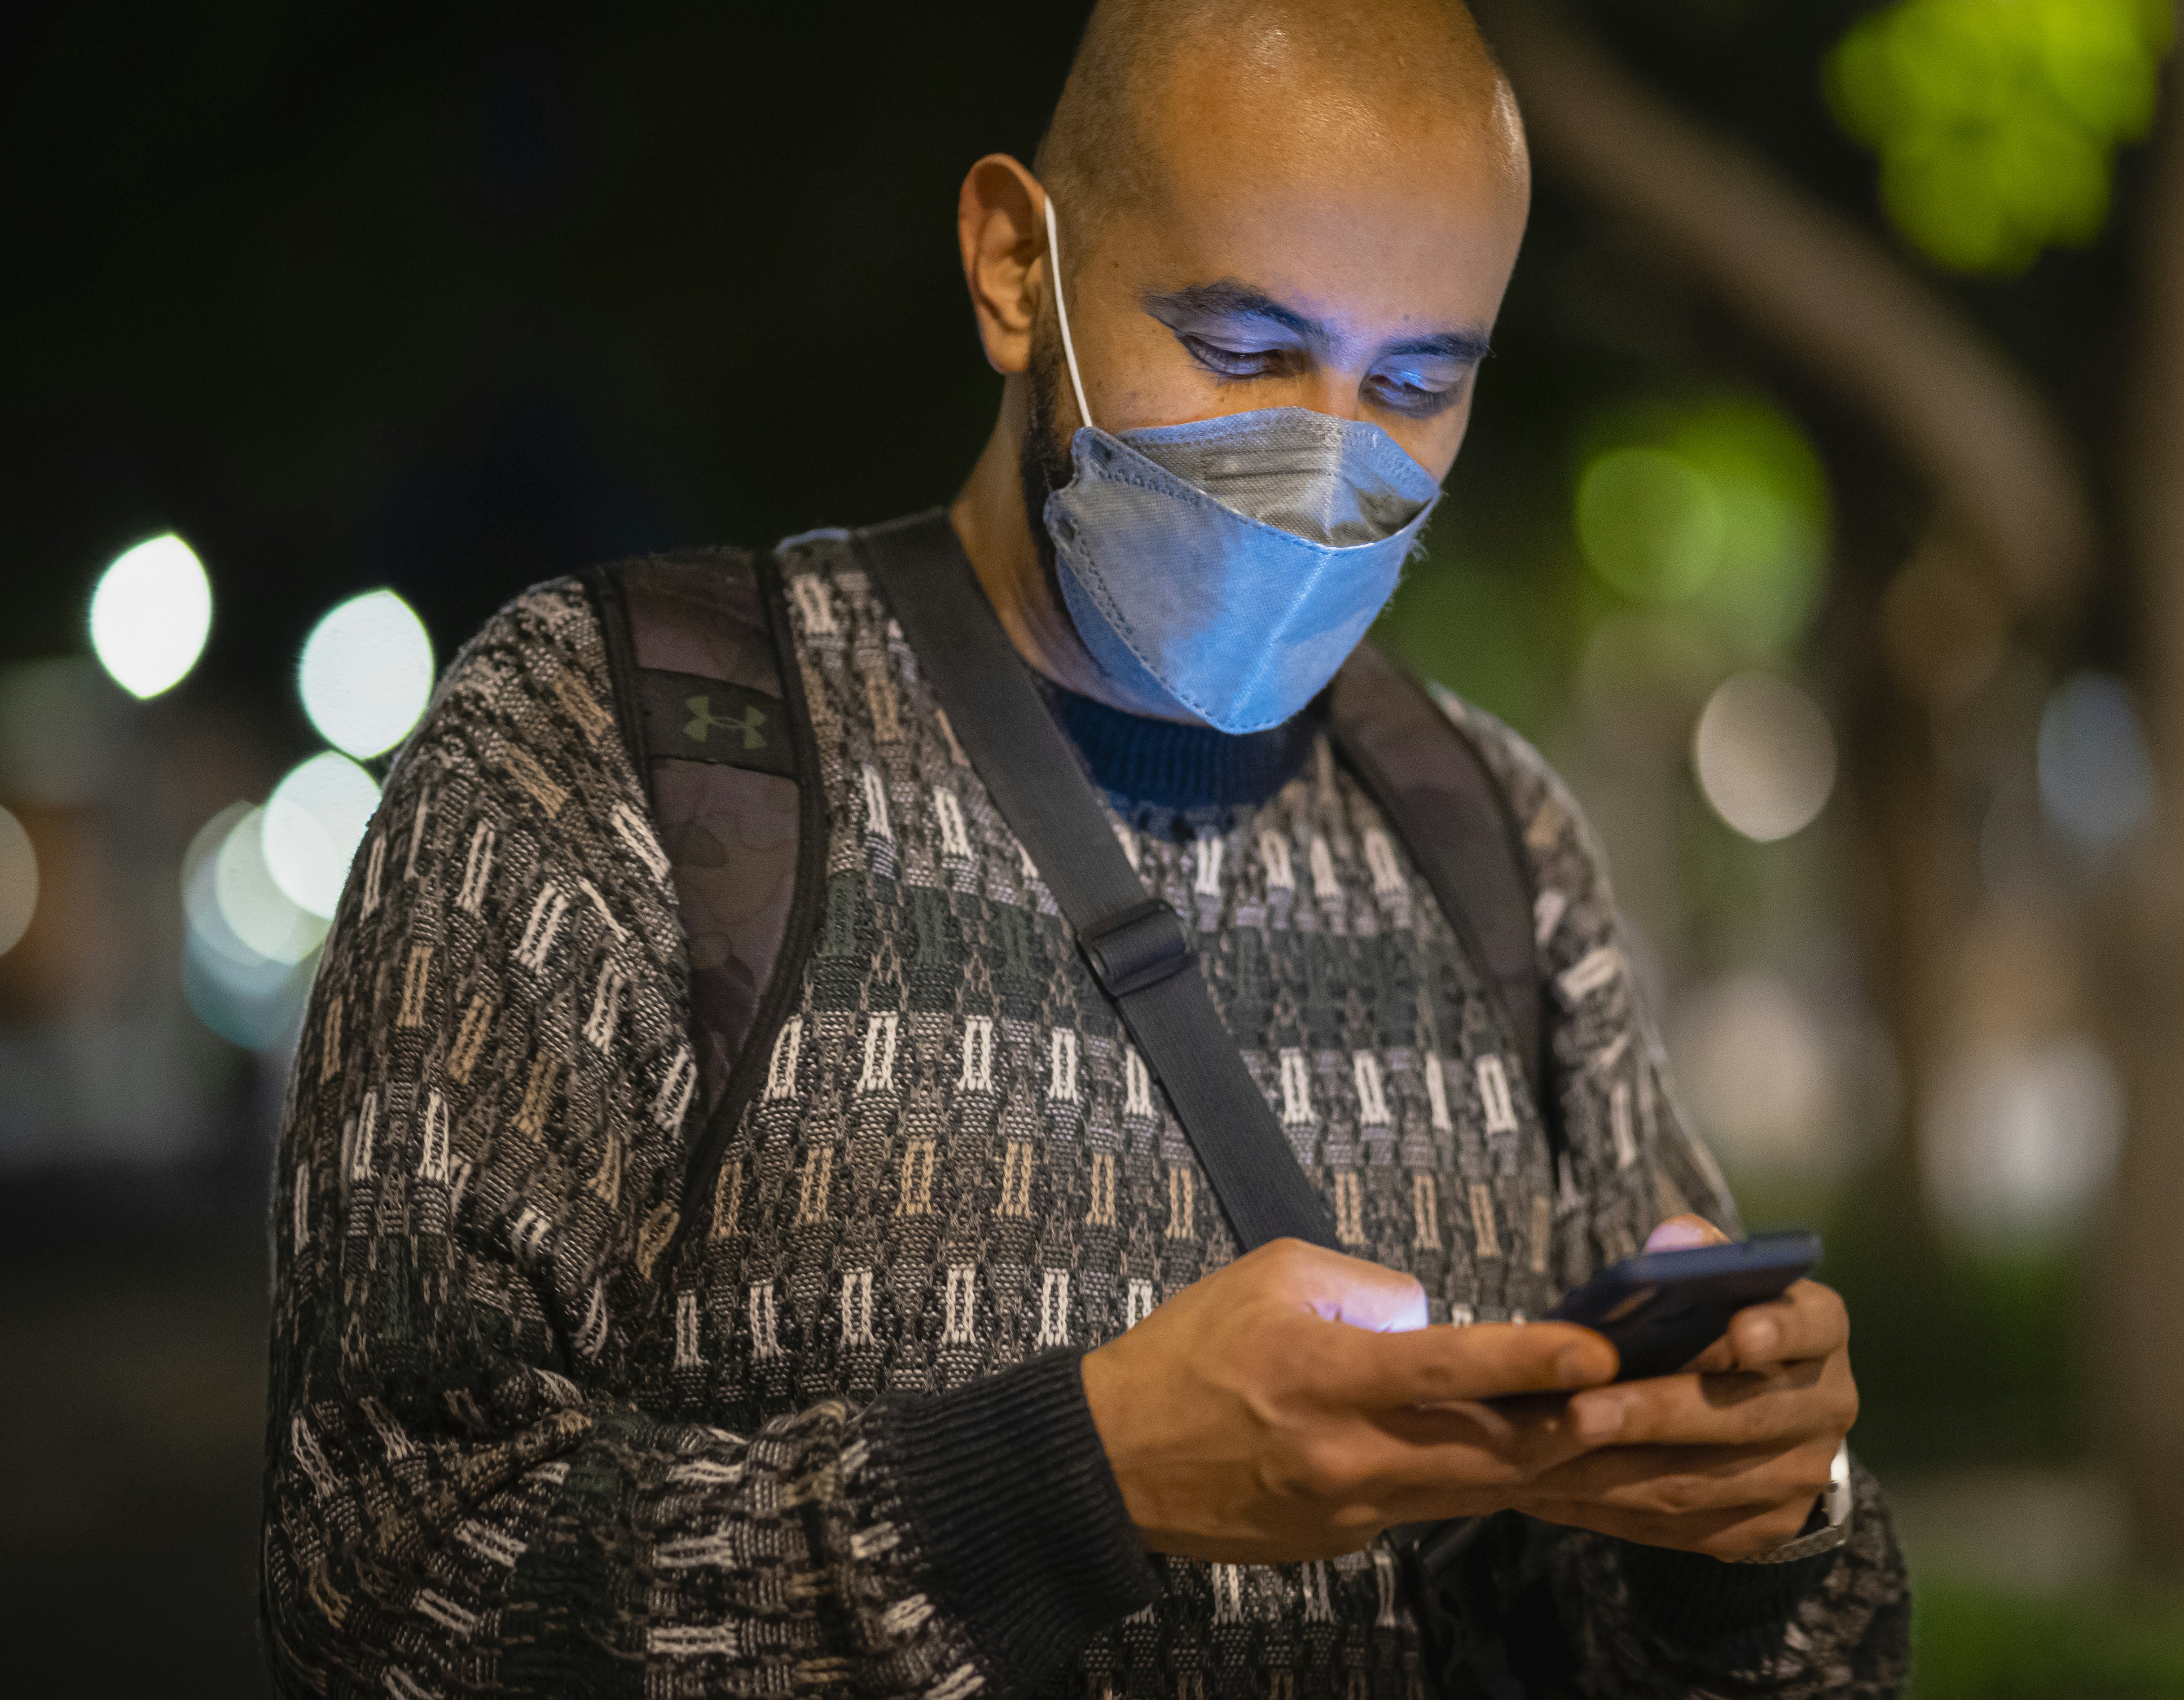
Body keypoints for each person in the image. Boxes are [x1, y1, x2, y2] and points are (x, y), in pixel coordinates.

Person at [258, 1, 1908, 1695]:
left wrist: (1756, 1530)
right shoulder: (613, 744)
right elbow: (385, 1573)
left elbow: (1759, 1646)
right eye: (1245, 353)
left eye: (1417, 386)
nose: (1327, 466)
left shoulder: (1499, 837)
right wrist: (1078, 1482)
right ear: (1009, 269)